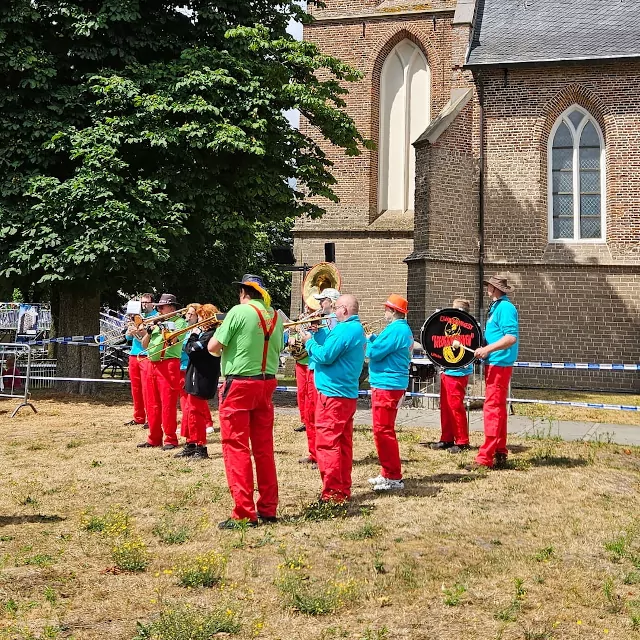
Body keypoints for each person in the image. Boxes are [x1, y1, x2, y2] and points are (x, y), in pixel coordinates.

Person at [207, 274, 284, 529]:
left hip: (239, 384)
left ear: (243, 292)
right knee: (263, 449)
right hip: (266, 383)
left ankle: (244, 512)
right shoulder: (275, 316)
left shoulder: (239, 311)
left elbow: (213, 347)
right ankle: (268, 507)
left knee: (236, 446)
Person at [302, 294, 366, 503]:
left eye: (336, 308)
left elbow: (325, 356)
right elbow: (332, 349)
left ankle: (332, 494)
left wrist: (309, 342)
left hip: (332, 394)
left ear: (345, 310)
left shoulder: (345, 329)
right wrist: (318, 334)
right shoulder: (352, 329)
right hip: (344, 394)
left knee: (327, 444)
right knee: (343, 444)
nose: (333, 312)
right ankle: (342, 489)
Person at [468, 276, 519, 470]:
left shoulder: (505, 308)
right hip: (495, 362)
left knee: (492, 409)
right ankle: (499, 451)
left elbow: (510, 337)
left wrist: (488, 350)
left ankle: (485, 457)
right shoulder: (497, 307)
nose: (487, 288)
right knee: (497, 408)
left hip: (499, 363)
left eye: (489, 286)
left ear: (495, 288)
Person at [366, 294, 413, 492]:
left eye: (386, 308)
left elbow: (373, 353)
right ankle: (387, 472)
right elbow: (388, 348)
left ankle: (393, 476)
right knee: (383, 430)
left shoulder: (396, 329)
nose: (384, 311)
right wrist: (373, 339)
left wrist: (367, 341)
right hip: (390, 384)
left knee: (383, 431)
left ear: (393, 311)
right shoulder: (400, 329)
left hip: (387, 385)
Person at [137, 293, 187, 451]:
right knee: (152, 404)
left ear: (172, 307)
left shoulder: (180, 322)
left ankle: (170, 439)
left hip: (169, 364)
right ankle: (153, 437)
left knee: (167, 404)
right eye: (158, 307)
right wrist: (149, 332)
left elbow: (173, 341)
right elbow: (145, 346)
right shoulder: (157, 323)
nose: (159, 310)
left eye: (162, 307)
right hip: (152, 363)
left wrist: (162, 325)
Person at [299, 287, 341, 468]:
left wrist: (311, 334)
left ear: (331, 302)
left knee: (318, 415)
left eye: (322, 300)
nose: (319, 304)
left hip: (321, 370)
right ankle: (313, 452)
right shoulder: (323, 321)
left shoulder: (335, 321)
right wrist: (309, 328)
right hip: (312, 367)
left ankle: (321, 455)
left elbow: (328, 348)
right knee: (309, 413)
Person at [176, 304, 222, 460]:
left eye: (202, 317)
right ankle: (190, 444)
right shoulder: (204, 333)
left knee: (196, 413)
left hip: (202, 377)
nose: (199, 320)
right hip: (193, 374)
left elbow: (191, 349)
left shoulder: (211, 334)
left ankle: (201, 447)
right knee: (188, 411)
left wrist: (193, 335)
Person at [431, 298, 474, 454]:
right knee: (446, 407)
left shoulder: (470, 328)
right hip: (446, 370)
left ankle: (462, 441)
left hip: (458, 372)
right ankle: (447, 438)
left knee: (455, 407)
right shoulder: (450, 327)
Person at [124, 294, 156, 427]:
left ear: (152, 304)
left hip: (147, 355)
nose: (144, 305)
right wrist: (129, 332)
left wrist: (143, 332)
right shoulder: (136, 316)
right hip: (134, 354)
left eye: (146, 303)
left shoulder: (156, 317)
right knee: (135, 388)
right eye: (142, 303)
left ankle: (151, 418)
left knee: (148, 389)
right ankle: (138, 417)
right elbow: (128, 338)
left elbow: (154, 338)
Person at [179, 303, 201, 436]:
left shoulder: (197, 330)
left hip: (190, 366)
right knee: (184, 398)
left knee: (194, 399)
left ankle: (207, 423)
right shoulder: (186, 329)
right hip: (181, 366)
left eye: (191, 314)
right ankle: (185, 424)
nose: (188, 317)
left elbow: (189, 347)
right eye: (187, 313)